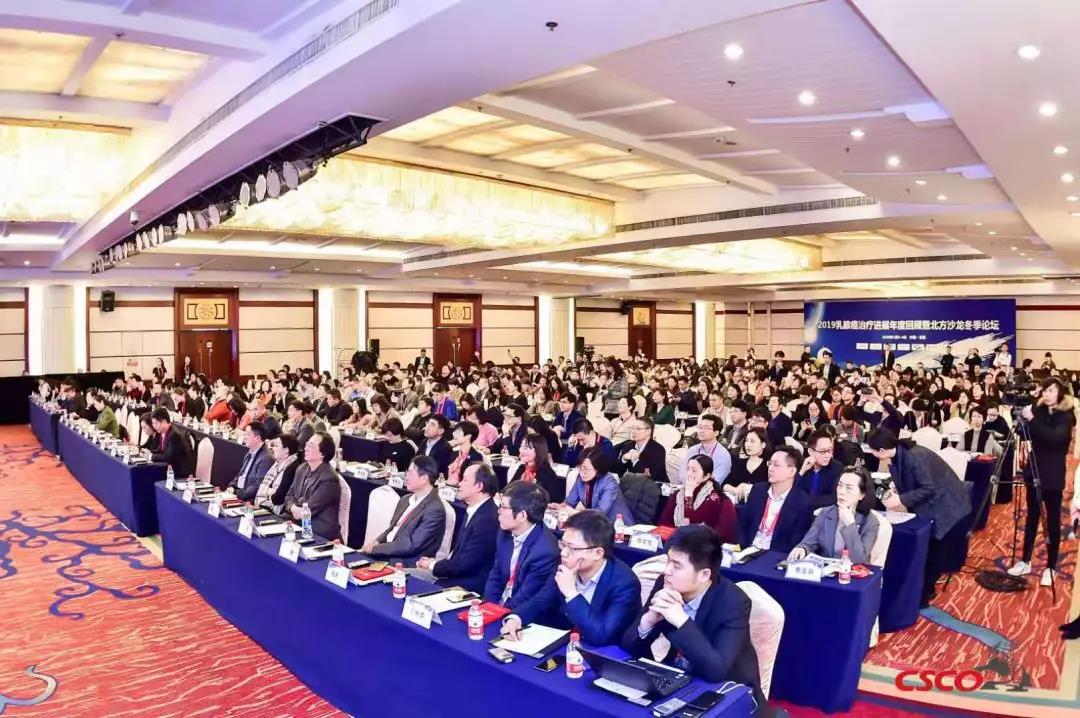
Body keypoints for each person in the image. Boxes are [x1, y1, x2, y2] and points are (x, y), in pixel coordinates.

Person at [622, 525, 764, 708]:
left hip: (729, 691)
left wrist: (682, 622)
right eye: (668, 561)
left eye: (676, 565)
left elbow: (716, 671)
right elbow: (629, 646)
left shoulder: (734, 602)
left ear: (704, 575)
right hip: (680, 678)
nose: (667, 571)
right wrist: (647, 622)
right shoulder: (665, 584)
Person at [868, 427, 972, 606]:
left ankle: (925, 593)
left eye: (873, 451)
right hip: (935, 504)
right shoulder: (900, 453)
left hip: (947, 506)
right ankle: (922, 589)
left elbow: (928, 488)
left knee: (933, 552)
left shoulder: (914, 456)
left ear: (882, 450)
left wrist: (901, 499)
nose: (872, 454)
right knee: (929, 550)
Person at [1007, 377, 1075, 587]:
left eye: (1051, 390)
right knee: (1032, 518)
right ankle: (1025, 561)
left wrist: (1032, 419)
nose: (1047, 394)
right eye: (1045, 390)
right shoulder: (1038, 410)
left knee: (1052, 521)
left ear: (1060, 393)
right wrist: (1020, 418)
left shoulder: (1066, 415)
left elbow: (1054, 439)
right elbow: (1025, 434)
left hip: (1052, 474)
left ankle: (1051, 567)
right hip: (1034, 470)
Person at [551, 510, 641, 645]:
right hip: (569, 644)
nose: (563, 553)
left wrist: (571, 593)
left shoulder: (625, 584)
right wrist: (518, 618)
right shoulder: (565, 564)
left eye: (572, 548)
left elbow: (602, 635)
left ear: (598, 553)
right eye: (563, 544)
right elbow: (542, 599)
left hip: (607, 652)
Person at [488, 481, 560, 637]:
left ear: (521, 515)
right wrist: (487, 607)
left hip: (523, 616)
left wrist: (499, 615)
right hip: (500, 605)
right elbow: (496, 573)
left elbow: (527, 595)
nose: (498, 511)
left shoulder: (545, 550)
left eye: (503, 507)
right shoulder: (505, 531)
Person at [416, 463, 498, 593]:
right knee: (404, 575)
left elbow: (466, 565)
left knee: (407, 580)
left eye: (464, 480)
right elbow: (458, 557)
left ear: (479, 486)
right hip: (453, 574)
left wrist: (432, 565)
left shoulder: (487, 519)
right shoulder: (475, 510)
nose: (459, 484)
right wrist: (435, 563)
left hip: (465, 585)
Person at [362, 455, 447, 563]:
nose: (406, 477)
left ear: (424, 479)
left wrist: (375, 549)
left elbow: (411, 545)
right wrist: (377, 542)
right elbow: (391, 529)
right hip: (386, 552)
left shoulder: (435, 510)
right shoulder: (405, 499)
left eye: (410, 473)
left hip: (405, 562)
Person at [789, 468, 880, 564]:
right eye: (840, 485)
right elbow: (808, 543)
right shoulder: (825, 513)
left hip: (852, 572)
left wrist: (850, 524)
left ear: (862, 495)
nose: (841, 491)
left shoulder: (870, 521)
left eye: (849, 488)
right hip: (826, 570)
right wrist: (803, 549)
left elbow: (859, 559)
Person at [738, 446, 812, 554]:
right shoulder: (758, 490)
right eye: (770, 463)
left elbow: (795, 540)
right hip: (748, 549)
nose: (770, 468)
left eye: (776, 465)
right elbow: (743, 524)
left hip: (775, 555)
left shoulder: (802, 501)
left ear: (792, 471)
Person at [659, 455, 738, 543]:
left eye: (694, 470)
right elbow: (664, 522)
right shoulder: (679, 494)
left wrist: (689, 495)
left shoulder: (714, 498)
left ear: (706, 476)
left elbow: (693, 526)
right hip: (680, 541)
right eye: (688, 469)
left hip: (703, 544)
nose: (689, 474)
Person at [284, 432, 341, 540]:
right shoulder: (302, 468)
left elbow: (308, 509)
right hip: (298, 524)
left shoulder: (329, 478)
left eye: (310, 446)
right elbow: (289, 495)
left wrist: (297, 509)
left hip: (319, 532)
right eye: (306, 444)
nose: (305, 448)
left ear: (322, 453)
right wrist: (292, 507)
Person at [560, 447, 636, 525]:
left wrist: (575, 512)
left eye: (586, 469)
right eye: (579, 468)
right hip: (595, 524)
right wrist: (560, 507)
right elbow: (569, 502)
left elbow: (600, 513)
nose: (581, 473)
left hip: (618, 526)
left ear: (597, 468)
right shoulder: (581, 478)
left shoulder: (609, 483)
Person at [225, 421, 274, 501]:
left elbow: (258, 485)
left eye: (247, 434)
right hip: (238, 492)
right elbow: (240, 474)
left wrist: (237, 493)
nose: (244, 437)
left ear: (258, 438)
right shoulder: (250, 452)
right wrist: (232, 486)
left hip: (248, 499)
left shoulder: (266, 458)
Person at [252, 433, 301, 515]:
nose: (273, 448)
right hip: (263, 504)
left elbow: (277, 499)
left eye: (276, 445)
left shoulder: (292, 468)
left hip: (274, 511)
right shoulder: (278, 463)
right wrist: (269, 491)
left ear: (286, 450)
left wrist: (267, 491)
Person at [508, 434, 565, 503]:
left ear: (538, 451)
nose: (521, 450)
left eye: (525, 448)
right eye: (521, 446)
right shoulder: (522, 468)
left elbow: (551, 499)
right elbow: (508, 489)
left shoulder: (546, 472)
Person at [797, 429, 845, 509]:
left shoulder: (837, 468)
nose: (828, 455)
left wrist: (806, 501)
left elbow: (834, 497)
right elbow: (790, 492)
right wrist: (802, 472)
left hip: (824, 512)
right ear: (810, 451)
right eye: (822, 451)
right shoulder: (802, 465)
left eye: (829, 450)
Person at [679, 414, 732, 486]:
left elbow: (716, 481)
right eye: (700, 427)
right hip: (688, 487)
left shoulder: (723, 455)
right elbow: (682, 474)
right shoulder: (692, 450)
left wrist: (695, 484)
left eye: (706, 428)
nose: (701, 431)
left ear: (716, 433)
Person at [723, 427, 768, 503]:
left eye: (752, 441)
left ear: (763, 444)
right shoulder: (740, 463)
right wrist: (735, 490)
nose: (748, 444)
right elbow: (724, 485)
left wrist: (746, 487)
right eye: (746, 441)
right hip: (737, 504)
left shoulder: (769, 466)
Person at [616, 417, 668, 483]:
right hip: (633, 485)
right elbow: (617, 472)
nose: (633, 431)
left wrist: (636, 461)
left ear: (648, 431)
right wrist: (623, 459)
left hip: (655, 486)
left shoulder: (658, 450)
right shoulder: (628, 446)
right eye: (632, 428)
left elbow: (653, 477)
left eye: (638, 429)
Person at [149, 407, 195, 478]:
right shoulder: (164, 432)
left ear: (164, 422)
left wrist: (151, 456)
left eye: (156, 423)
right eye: (153, 424)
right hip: (171, 469)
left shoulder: (174, 435)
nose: (154, 426)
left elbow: (168, 457)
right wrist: (149, 452)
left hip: (181, 474)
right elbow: (160, 450)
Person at [446, 420, 483, 486]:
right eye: (454, 432)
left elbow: (472, 480)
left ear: (468, 436)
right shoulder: (453, 454)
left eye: (458, 433)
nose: (454, 435)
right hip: (447, 487)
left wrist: (456, 484)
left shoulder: (476, 456)